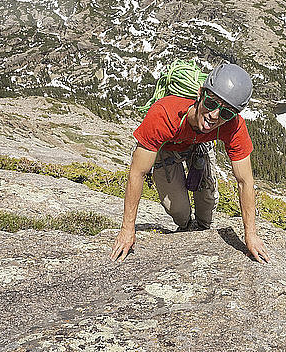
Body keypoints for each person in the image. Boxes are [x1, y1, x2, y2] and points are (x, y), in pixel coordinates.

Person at [110, 63, 270, 263]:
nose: (214, 116)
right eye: (211, 103)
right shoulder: (165, 114)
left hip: (199, 146)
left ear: (234, 116)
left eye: (226, 113)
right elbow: (138, 172)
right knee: (179, 210)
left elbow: (245, 181)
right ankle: (185, 226)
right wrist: (127, 229)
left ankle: (201, 229)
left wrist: (251, 234)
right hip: (168, 149)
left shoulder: (233, 125)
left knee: (207, 207)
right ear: (200, 93)